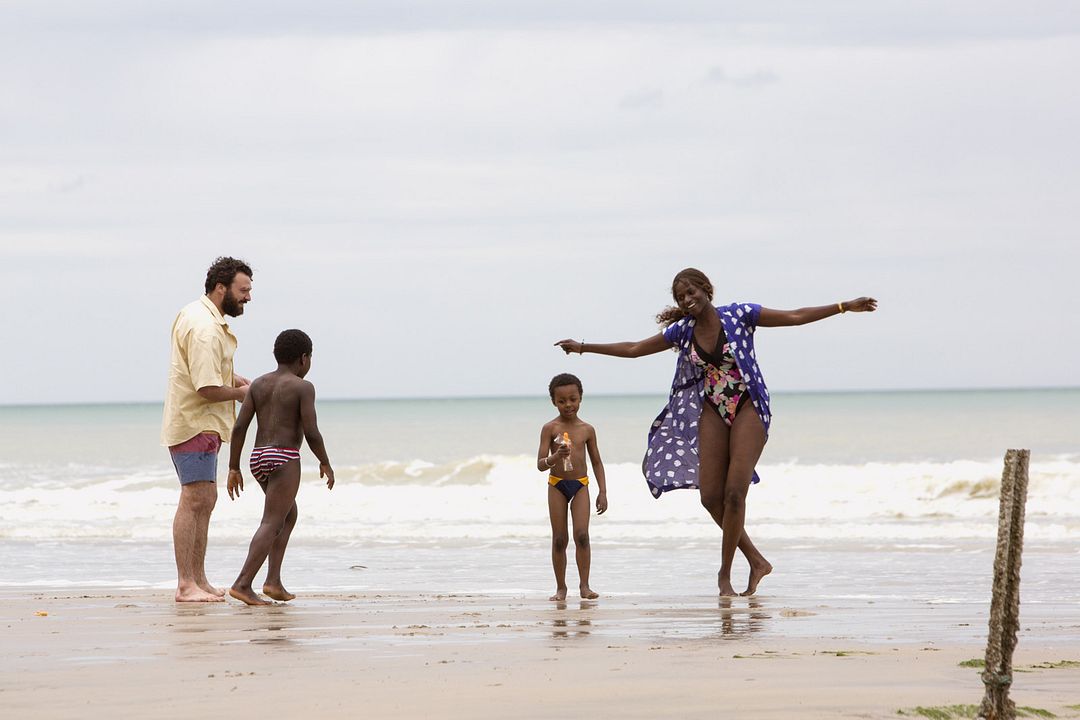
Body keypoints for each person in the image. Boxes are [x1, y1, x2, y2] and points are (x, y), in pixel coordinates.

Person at [556, 268, 877, 596]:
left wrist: (843, 306)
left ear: (707, 290)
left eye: (691, 292)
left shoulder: (740, 315)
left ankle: (724, 575)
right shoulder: (682, 332)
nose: (687, 299)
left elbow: (794, 316)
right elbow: (635, 348)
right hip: (712, 408)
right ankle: (756, 561)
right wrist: (583, 347)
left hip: (748, 404)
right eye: (681, 297)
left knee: (734, 493)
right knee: (710, 497)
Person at [162, 256, 253, 603]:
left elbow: (203, 372)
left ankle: (198, 579)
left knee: (206, 499)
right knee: (195, 498)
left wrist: (233, 378)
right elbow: (205, 388)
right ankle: (186, 584)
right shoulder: (204, 328)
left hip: (200, 423)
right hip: (194, 422)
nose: (247, 297)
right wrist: (242, 394)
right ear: (221, 288)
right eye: (243, 290)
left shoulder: (199, 315)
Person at [226, 329, 335, 605]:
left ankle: (273, 582)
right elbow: (312, 432)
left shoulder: (258, 385)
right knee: (272, 521)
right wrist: (325, 461)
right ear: (304, 359)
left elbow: (240, 427)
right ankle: (243, 583)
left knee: (287, 514)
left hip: (258, 458)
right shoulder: (303, 387)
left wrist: (234, 467)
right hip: (285, 458)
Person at [536, 373, 608, 601]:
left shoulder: (587, 430)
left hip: (581, 486)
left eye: (573, 399)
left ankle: (585, 586)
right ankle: (561, 588)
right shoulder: (550, 428)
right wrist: (556, 456)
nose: (568, 405)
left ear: (580, 398)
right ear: (553, 402)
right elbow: (539, 464)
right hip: (557, 485)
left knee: (582, 535)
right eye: (562, 401)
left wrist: (603, 491)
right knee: (559, 539)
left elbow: (596, 461)